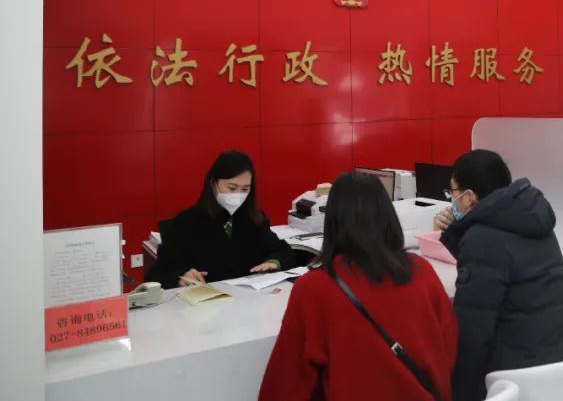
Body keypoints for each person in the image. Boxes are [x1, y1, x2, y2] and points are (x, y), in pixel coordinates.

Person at [260, 172, 457, 400]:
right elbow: (448, 346)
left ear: (332, 221)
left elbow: (287, 382)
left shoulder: (314, 288)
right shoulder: (421, 270)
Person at [433, 149, 563, 401]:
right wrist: (455, 232)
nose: (451, 199)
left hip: (517, 381)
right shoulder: (532, 219)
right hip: (562, 365)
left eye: (453, 192)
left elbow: (472, 333)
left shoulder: (482, 239)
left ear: (469, 197)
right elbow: (498, 265)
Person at [146, 150, 295, 288]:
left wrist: (275, 262)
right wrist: (180, 278)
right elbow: (157, 275)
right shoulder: (187, 222)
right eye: (232, 188)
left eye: (245, 189)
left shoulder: (254, 219)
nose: (238, 194)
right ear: (213, 183)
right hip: (205, 301)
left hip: (248, 299)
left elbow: (283, 251)